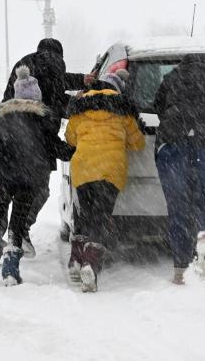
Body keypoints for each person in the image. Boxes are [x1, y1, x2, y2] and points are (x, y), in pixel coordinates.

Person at [0, 66, 74, 286]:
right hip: (30, 179)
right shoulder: (43, 121)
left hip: (3, 176)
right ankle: (10, 267)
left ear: (16, 95)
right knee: (18, 220)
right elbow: (56, 147)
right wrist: (75, 152)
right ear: (36, 97)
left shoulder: (2, 121)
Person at [0, 38, 93, 259]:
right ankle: (21, 231)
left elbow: (54, 86)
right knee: (38, 190)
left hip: (8, 137)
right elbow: (58, 97)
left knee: (2, 193)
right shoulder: (55, 72)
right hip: (40, 145)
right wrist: (81, 98)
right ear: (59, 55)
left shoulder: (23, 65)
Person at [153, 54, 205, 285]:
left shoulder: (172, 78)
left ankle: (180, 269)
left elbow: (158, 108)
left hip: (173, 143)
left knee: (178, 206)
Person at [64, 70, 145, 292]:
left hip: (83, 168)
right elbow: (138, 143)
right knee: (100, 217)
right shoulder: (122, 110)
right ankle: (90, 263)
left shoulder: (80, 109)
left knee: (85, 214)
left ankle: (76, 259)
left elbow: (70, 138)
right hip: (110, 169)